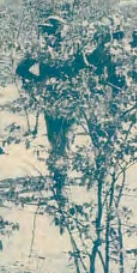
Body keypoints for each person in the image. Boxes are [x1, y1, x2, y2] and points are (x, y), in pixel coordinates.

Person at [15, 15, 85, 200]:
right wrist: (38, 82)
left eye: (50, 30)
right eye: (45, 31)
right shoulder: (41, 50)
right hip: (52, 101)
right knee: (57, 141)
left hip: (70, 100)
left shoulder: (74, 48)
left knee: (65, 140)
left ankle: (61, 183)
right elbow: (21, 69)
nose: (47, 34)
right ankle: (59, 182)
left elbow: (86, 67)